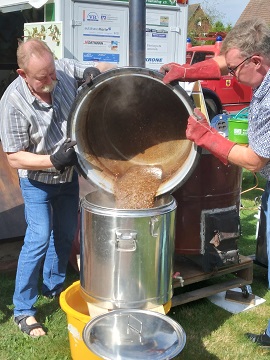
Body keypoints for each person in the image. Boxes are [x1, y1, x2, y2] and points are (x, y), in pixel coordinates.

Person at [160, 17, 270, 348]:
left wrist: (207, 137)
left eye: (234, 71)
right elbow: (223, 61)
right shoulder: (253, 61)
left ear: (256, 62)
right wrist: (187, 71)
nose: (229, 76)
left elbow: (254, 159)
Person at [0, 38, 114, 337]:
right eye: (42, 77)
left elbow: (103, 67)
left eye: (52, 73)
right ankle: (23, 309)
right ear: (22, 74)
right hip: (37, 181)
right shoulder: (12, 102)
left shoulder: (59, 70)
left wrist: (93, 70)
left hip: (67, 178)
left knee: (64, 234)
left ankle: (53, 288)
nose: (52, 80)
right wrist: (52, 159)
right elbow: (13, 157)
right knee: (38, 237)